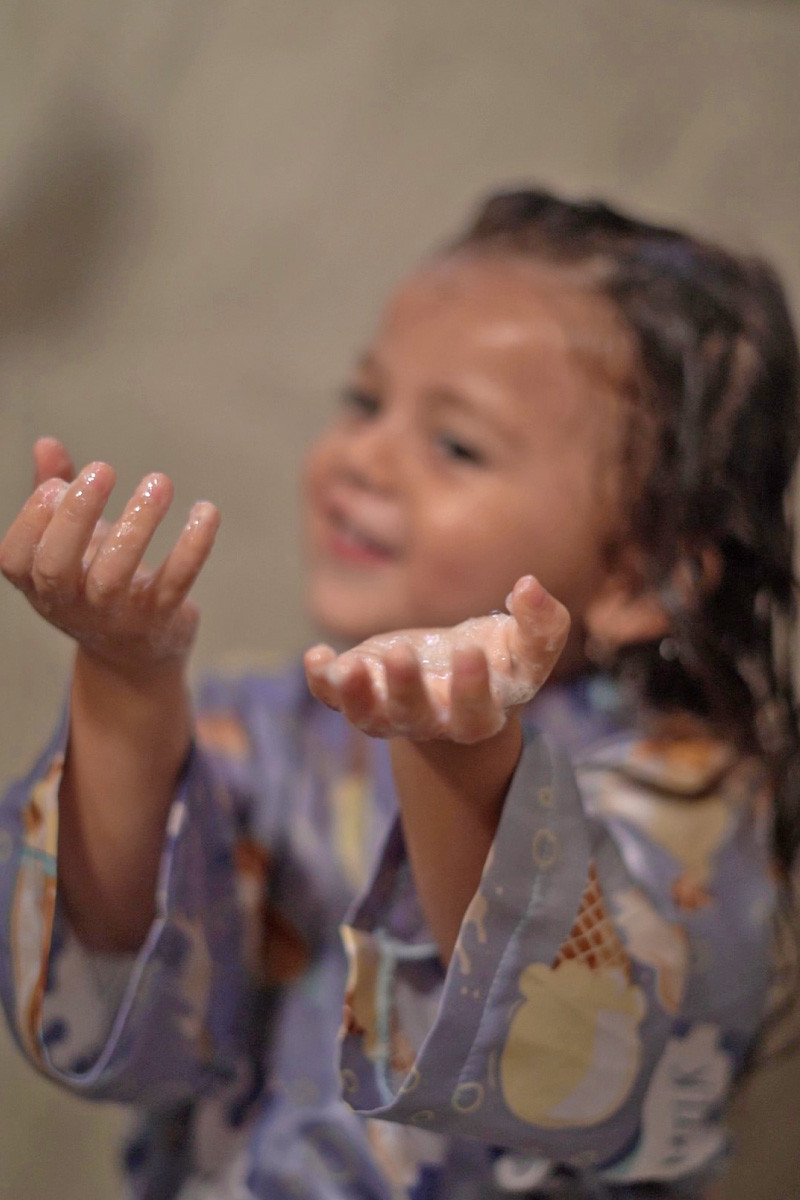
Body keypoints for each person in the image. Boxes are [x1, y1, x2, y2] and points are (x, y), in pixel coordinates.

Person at [0, 189, 798, 1200]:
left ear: (644, 576)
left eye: (456, 445)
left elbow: (566, 1072)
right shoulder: (260, 730)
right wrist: (123, 677)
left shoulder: (684, 793)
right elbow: (120, 1005)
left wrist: (458, 759)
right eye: (363, 399)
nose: (362, 457)